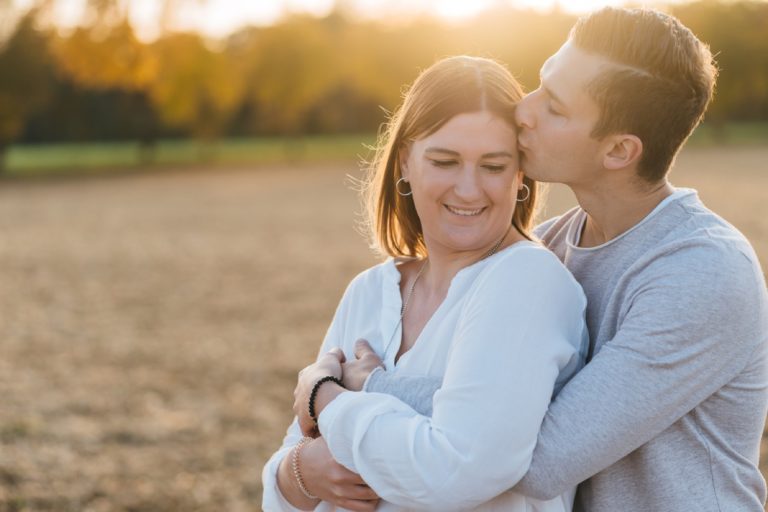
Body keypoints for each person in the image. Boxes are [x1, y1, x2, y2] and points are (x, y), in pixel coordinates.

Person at [342, 7, 768, 512]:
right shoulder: (552, 246)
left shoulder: (701, 272)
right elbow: (492, 420)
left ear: (618, 151)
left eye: (556, 107)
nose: (524, 108)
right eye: (541, 83)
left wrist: (365, 387)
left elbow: (533, 457)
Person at [262, 56, 590, 511]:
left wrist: (327, 397)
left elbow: (457, 470)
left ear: (521, 176)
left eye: (493, 166)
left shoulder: (528, 281)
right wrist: (299, 471)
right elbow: (288, 481)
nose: (469, 189)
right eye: (445, 161)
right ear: (405, 164)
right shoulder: (369, 289)